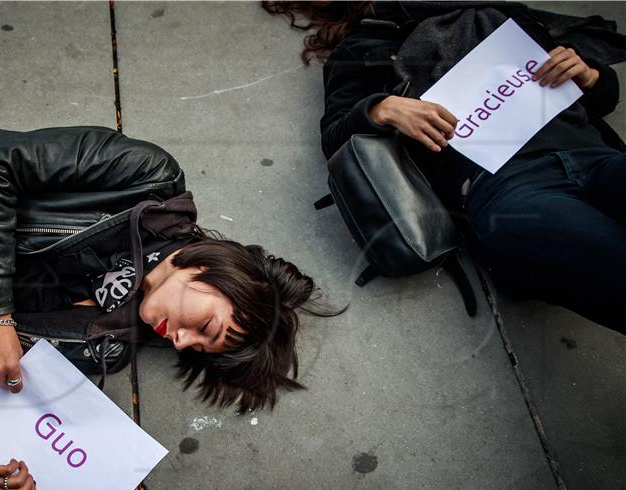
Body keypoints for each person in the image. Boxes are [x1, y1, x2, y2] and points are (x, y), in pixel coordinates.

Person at [0, 115, 329, 490]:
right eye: (204, 326)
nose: (181, 341)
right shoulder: (147, 179)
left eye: (197, 348)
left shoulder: (106, 344)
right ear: (207, 271)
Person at [263, 1, 626, 334]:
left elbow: (604, 96)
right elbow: (335, 138)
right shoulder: (360, 48)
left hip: (592, 152)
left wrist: (591, 76)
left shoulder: (489, 10)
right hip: (506, 188)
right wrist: (381, 108)